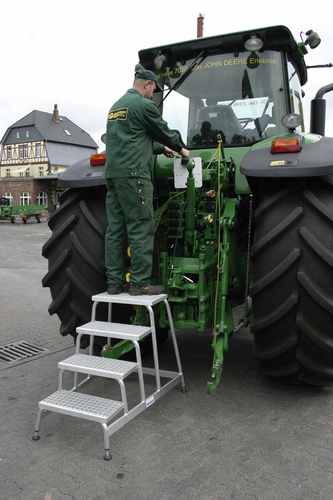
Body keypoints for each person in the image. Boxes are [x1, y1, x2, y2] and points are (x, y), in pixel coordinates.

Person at [105, 63, 189, 296]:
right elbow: (163, 130)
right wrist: (181, 148)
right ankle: (140, 283)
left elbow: (131, 140)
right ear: (149, 84)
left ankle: (113, 283)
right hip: (135, 177)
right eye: (154, 89)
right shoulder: (144, 105)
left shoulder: (116, 107)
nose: (154, 94)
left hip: (113, 176)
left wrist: (161, 149)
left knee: (115, 230)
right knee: (141, 226)